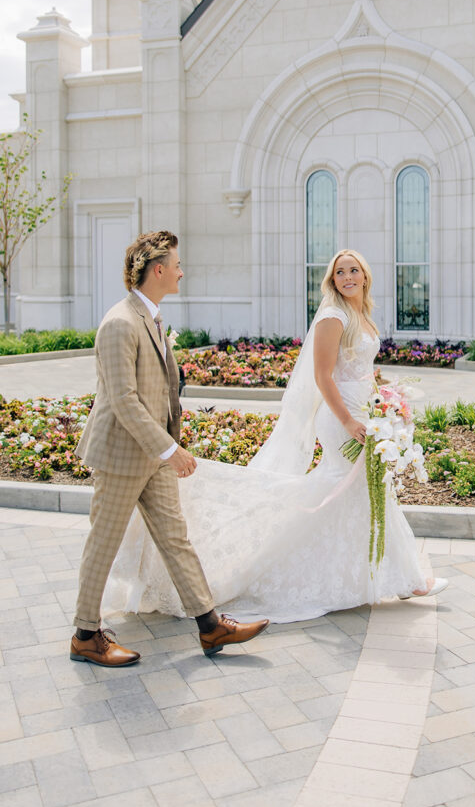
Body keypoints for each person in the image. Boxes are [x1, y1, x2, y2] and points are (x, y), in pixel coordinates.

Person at [103, 248, 446, 624]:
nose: (347, 277)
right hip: (341, 417)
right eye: (339, 273)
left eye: (353, 271)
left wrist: (386, 404)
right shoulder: (332, 317)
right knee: (353, 487)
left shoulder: (360, 315)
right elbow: (322, 376)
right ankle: (401, 577)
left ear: (365, 276)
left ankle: (390, 575)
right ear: (332, 281)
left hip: (367, 412)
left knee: (365, 490)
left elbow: (362, 370)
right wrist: (348, 421)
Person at [70, 230, 269, 667]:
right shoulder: (120, 323)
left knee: (176, 540)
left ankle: (209, 624)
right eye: (177, 264)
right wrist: (169, 449)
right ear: (158, 270)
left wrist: (167, 446)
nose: (182, 271)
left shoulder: (152, 318)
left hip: (153, 456)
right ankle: (86, 635)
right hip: (123, 456)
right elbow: (123, 400)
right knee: (103, 543)